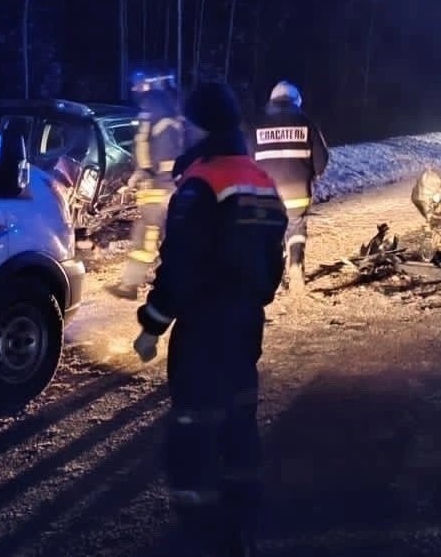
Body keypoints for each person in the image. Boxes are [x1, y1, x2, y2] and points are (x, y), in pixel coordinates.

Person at [132, 82, 288, 556]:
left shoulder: (202, 183)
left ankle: (200, 535)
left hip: (203, 327)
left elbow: (181, 264)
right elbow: (273, 259)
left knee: (193, 426)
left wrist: (152, 324)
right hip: (246, 324)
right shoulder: (259, 178)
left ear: (199, 125)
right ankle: (241, 524)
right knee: (240, 418)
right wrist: (252, 298)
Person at [111, 68, 185, 299]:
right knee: (171, 236)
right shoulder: (176, 107)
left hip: (156, 185)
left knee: (145, 234)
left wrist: (141, 172)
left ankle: (130, 285)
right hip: (176, 184)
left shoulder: (152, 105)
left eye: (137, 86)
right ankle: (177, 283)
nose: (136, 91)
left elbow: (142, 140)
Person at [251, 80, 330, 294]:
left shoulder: (257, 124)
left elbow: (247, 158)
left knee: (270, 233)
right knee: (296, 226)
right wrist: (313, 174)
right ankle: (295, 265)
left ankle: (272, 279)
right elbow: (322, 159)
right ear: (296, 101)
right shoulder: (307, 122)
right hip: (298, 191)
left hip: (267, 194)